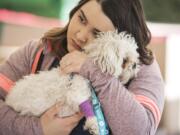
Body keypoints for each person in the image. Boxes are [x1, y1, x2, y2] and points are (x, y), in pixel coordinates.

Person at [0, 0, 164, 135]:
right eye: (82, 19)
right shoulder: (39, 51)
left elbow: (140, 131)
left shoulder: (141, 69)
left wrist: (93, 71)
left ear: (118, 41)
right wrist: (37, 129)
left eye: (97, 34)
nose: (80, 36)